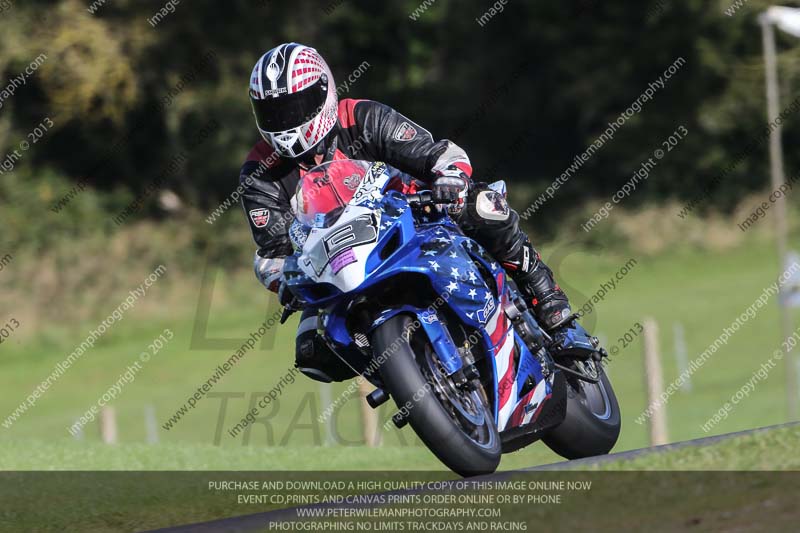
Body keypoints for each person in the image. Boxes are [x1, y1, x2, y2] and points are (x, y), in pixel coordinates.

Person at [240, 43, 571, 383]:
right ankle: (407, 377)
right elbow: (273, 253)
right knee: (314, 351)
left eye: (295, 108)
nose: (286, 122)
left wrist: (449, 178)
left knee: (481, 205)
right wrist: (285, 280)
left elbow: (433, 152)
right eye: (275, 113)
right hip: (341, 268)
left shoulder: (360, 117)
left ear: (324, 92)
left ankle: (546, 295)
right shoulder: (260, 173)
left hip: (416, 219)